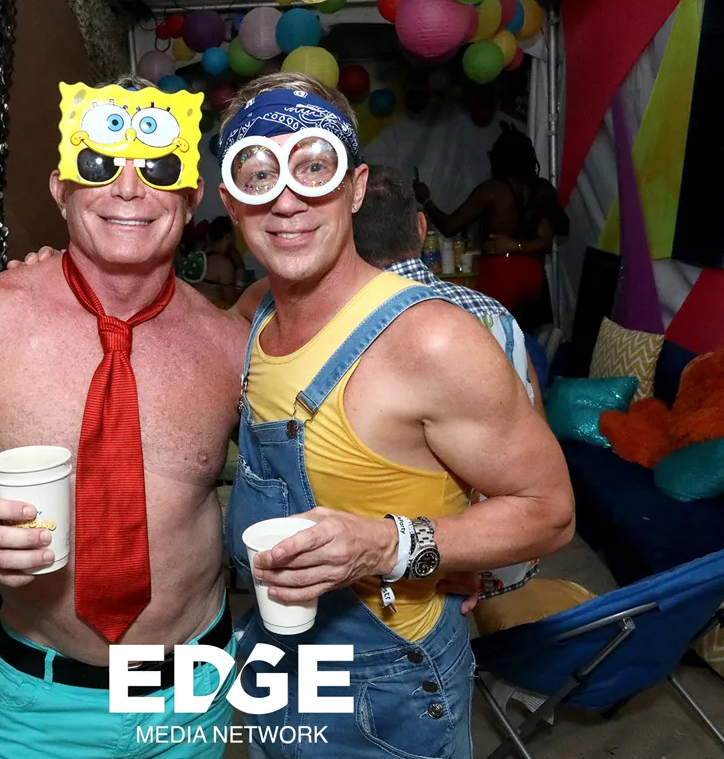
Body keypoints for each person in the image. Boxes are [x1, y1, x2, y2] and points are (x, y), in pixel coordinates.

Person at [0, 75, 247, 759]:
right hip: (39, 706)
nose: (129, 190)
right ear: (61, 189)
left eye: (158, 170)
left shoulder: (231, 346)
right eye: (100, 165)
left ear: (191, 197)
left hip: (195, 696)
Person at [217, 74, 574, 759]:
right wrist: (65, 269)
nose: (286, 199)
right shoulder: (255, 310)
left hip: (389, 691)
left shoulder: (431, 340)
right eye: (258, 173)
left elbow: (549, 511)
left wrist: (390, 546)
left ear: (354, 187)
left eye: (313, 166)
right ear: (232, 200)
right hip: (274, 665)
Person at [353, 163, 544, 598]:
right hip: (504, 545)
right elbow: (535, 418)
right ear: (421, 229)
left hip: (391, 564)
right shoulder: (493, 313)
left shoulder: (345, 327)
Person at [412, 122, 570, 332]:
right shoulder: (541, 190)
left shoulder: (492, 190)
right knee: (530, 336)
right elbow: (556, 233)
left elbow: (450, 226)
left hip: (501, 272)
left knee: (490, 333)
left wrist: (426, 200)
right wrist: (520, 243)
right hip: (533, 273)